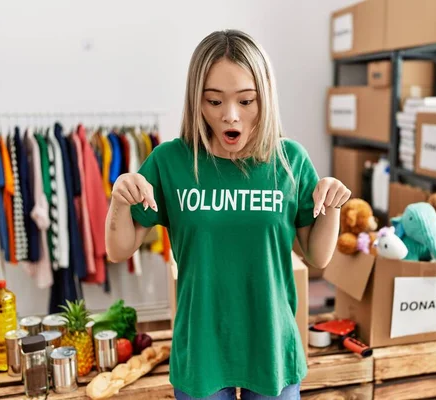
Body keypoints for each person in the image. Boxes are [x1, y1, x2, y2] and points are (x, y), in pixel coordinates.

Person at [105, 29, 350, 400]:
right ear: (197, 102)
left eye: (246, 101)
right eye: (214, 101)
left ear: (264, 98)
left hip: (272, 347)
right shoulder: (171, 162)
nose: (230, 116)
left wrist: (331, 207)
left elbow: (316, 255)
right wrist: (118, 201)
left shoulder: (290, 161)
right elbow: (119, 249)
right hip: (201, 350)